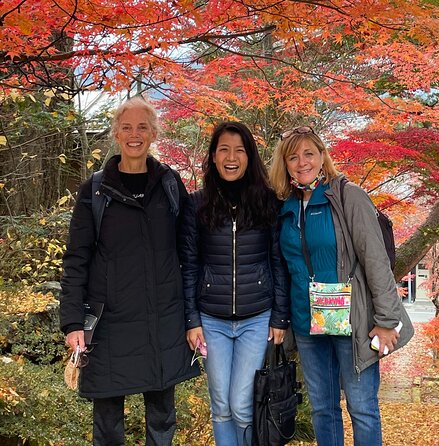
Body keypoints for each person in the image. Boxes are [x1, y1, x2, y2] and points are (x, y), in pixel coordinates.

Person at [59, 96, 200, 446]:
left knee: (162, 418)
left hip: (163, 318)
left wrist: (193, 316)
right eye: (126, 127)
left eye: (142, 127)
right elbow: (76, 257)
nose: (134, 134)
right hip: (109, 321)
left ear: (153, 133)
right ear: (116, 134)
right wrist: (73, 322)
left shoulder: (170, 183)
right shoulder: (95, 190)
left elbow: (189, 249)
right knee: (107, 423)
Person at [268, 126, 414, 446]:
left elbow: (376, 261)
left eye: (309, 153)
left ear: (322, 156)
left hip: (352, 320)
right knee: (323, 409)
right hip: (307, 323)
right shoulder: (285, 207)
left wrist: (387, 321)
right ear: (285, 163)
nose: (302, 162)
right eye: (293, 156)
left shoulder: (348, 196)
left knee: (362, 408)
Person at [179, 121, 290, 446]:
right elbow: (189, 266)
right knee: (221, 406)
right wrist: (192, 320)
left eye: (239, 150)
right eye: (223, 149)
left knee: (242, 406)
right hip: (211, 321)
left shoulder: (267, 202)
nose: (231, 157)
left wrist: (279, 315)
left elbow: (278, 261)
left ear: (249, 156)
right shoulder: (196, 204)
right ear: (213, 156)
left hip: (256, 319)